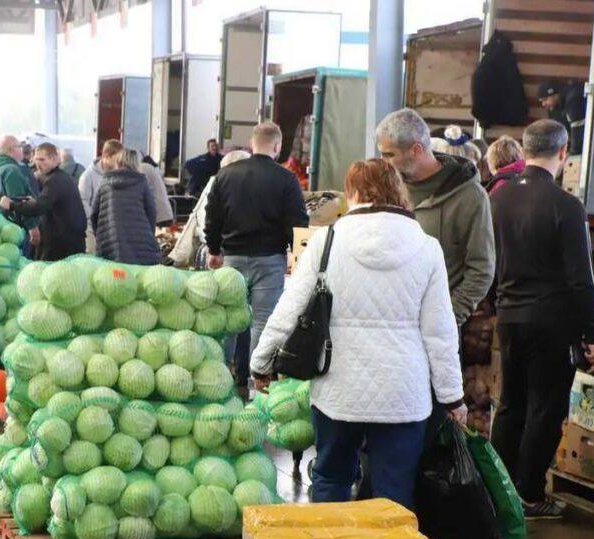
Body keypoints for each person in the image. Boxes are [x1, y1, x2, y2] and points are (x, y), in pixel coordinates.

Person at [250, 159, 467, 509]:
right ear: (398, 190)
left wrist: (261, 362)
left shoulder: (326, 241)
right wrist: (453, 396)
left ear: (352, 193)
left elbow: (290, 307)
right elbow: (440, 333)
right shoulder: (428, 248)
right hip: (403, 395)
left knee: (331, 477)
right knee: (393, 492)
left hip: (338, 389)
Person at [490, 119, 594, 519]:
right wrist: (592, 331)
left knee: (510, 405)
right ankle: (530, 495)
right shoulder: (566, 206)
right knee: (545, 407)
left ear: (523, 148)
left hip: (509, 317)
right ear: (564, 151)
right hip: (552, 323)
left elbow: (489, 265)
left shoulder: (496, 200)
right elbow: (580, 278)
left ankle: (499, 490)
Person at [376, 108, 495, 330]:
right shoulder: (388, 190)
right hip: (389, 329)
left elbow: (481, 269)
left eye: (389, 155)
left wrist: (446, 318)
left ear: (416, 149)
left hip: (437, 335)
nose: (383, 162)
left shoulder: (470, 197)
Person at [204, 122, 309, 359]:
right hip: (270, 260)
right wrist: (299, 260)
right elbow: (298, 225)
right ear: (277, 145)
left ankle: (223, 373)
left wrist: (214, 249)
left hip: (231, 260)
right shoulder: (287, 179)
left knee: (229, 320)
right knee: (262, 323)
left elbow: (213, 216)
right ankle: (256, 382)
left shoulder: (226, 174)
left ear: (252, 143)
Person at [0, 143, 87, 261]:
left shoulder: (56, 180)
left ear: (55, 159)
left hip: (62, 247)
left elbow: (39, 207)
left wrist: (11, 205)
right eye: (36, 159)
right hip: (65, 243)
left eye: (42, 159)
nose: (38, 163)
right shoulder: (58, 178)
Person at [169, 150, 251, 268]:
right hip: (220, 254)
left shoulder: (216, 183)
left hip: (211, 250)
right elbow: (213, 221)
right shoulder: (227, 187)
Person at [91, 149, 161, 265]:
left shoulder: (105, 182)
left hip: (111, 244)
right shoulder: (141, 182)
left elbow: (94, 214)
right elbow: (151, 212)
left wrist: (101, 236)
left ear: (118, 161)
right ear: (136, 163)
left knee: (113, 279)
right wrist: (149, 235)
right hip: (140, 243)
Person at [79, 140, 124, 252]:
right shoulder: (88, 176)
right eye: (116, 159)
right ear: (106, 156)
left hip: (112, 228)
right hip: (92, 229)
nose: (118, 163)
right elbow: (82, 200)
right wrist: (95, 219)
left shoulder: (118, 174)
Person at [0, 135, 38, 236]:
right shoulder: (11, 170)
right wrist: (32, 226)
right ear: (11, 149)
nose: (22, 150)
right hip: (14, 229)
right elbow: (20, 201)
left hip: (0, 224)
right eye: (19, 146)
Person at [538, 80, 586, 155]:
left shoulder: (573, 99)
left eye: (545, 100)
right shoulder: (554, 106)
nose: (543, 104)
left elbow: (578, 135)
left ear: (556, 95)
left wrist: (572, 154)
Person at [139, 154, 174, 225]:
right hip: (166, 214)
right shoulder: (156, 171)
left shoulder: (144, 167)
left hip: (158, 216)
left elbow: (140, 187)